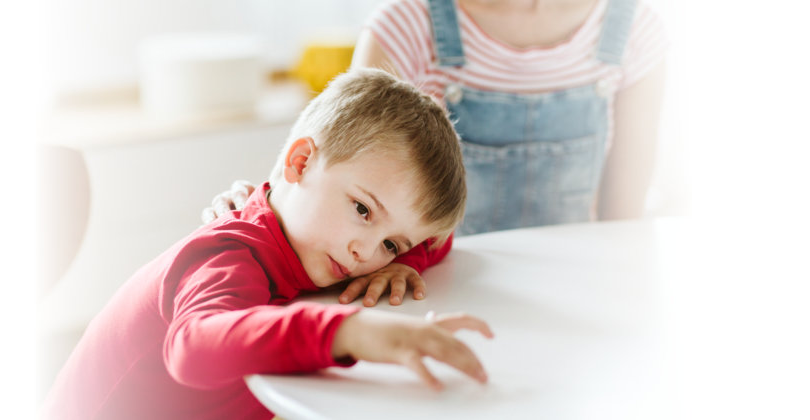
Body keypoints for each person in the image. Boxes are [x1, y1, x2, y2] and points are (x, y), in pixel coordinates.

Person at [204, 0, 670, 308]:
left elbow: (620, 232)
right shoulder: (407, 25)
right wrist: (247, 205)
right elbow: (313, 184)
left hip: (574, 304)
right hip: (433, 309)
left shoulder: (634, 30)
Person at [45, 69, 495, 420]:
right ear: (300, 162)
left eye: (391, 243)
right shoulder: (233, 254)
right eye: (362, 210)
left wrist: (403, 258)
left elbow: (437, 237)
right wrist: (351, 331)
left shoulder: (323, 243)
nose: (366, 253)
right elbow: (194, 348)